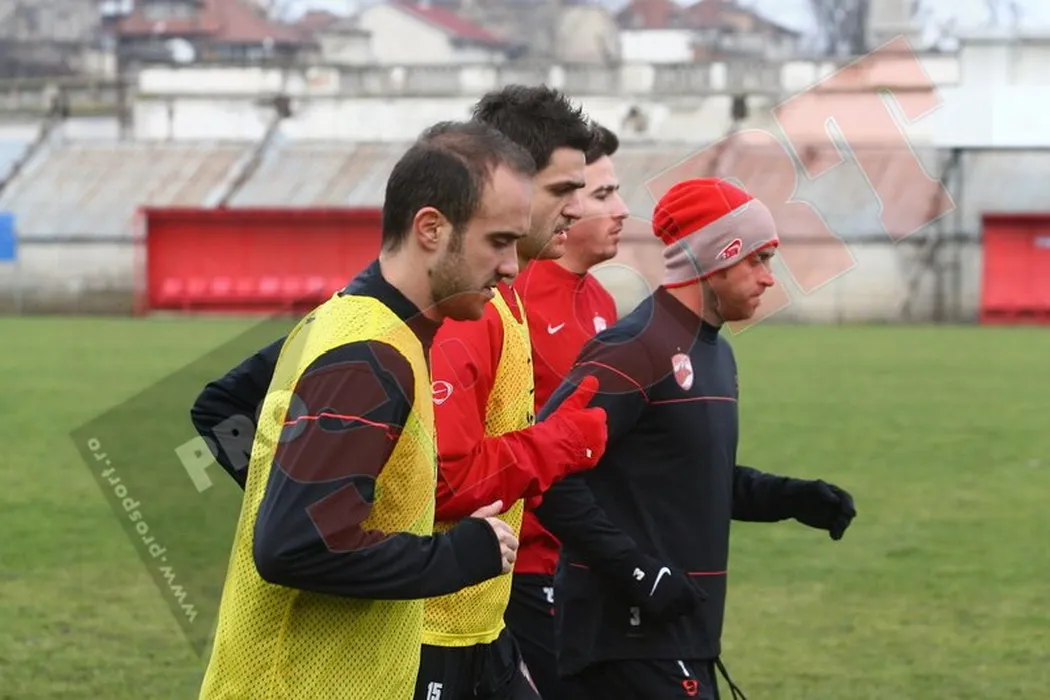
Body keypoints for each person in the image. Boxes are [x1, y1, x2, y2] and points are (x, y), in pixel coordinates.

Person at [195, 120, 533, 700]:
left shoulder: (353, 319)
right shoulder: (369, 356)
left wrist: (301, 485)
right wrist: (456, 555)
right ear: (431, 228)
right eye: (498, 241)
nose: (511, 266)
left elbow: (221, 412)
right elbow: (294, 546)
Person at [533, 177, 858, 700]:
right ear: (717, 259)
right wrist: (640, 574)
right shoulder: (633, 348)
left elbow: (686, 476)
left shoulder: (715, 352)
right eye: (758, 259)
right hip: (625, 639)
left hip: (682, 631)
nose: (769, 278)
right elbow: (545, 473)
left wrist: (789, 498)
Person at [417, 86, 611, 700]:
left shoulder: (502, 297)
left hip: (477, 616)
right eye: (564, 190)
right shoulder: (463, 311)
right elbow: (443, 481)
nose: (576, 210)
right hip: (430, 628)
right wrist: (559, 444)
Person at [506, 122, 629, 700]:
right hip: (524, 563)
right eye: (603, 194)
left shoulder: (602, 299)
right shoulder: (512, 295)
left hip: (585, 558)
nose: (621, 209)